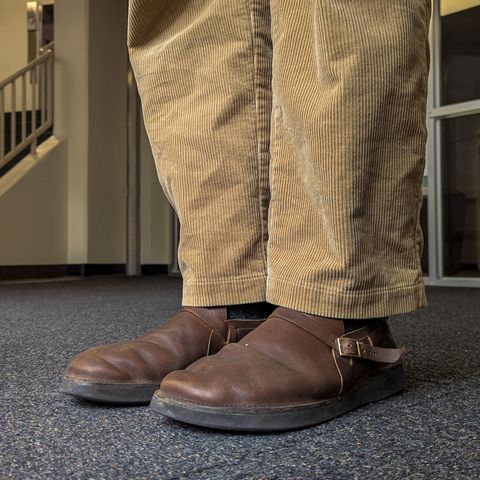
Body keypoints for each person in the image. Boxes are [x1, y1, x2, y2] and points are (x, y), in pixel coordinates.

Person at [61, 0, 432, 431]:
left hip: (342, 295)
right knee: (192, 18)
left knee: (333, 16)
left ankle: (339, 307)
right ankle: (236, 297)